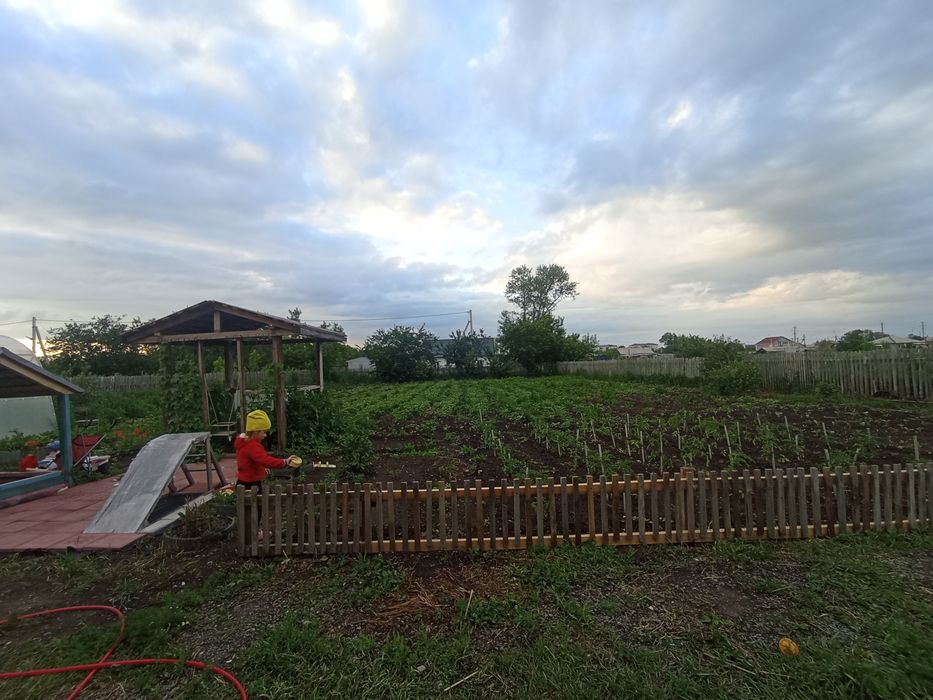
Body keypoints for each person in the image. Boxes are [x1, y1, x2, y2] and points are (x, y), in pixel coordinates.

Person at [234, 409, 300, 491]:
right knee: (256, 503)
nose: (265, 435)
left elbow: (250, 462)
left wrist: (262, 469)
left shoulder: (244, 442)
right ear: (255, 431)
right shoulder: (253, 446)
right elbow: (265, 460)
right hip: (251, 484)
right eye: (264, 432)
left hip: (242, 481)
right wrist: (284, 462)